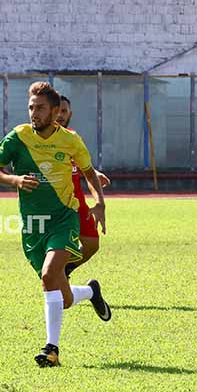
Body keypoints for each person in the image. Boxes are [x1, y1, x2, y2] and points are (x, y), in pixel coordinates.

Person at [0, 82, 111, 368]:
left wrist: (100, 203)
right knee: (63, 297)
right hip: (33, 224)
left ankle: (51, 350)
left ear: (56, 111)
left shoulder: (70, 140)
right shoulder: (18, 137)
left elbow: (88, 172)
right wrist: (15, 180)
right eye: (31, 107)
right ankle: (91, 291)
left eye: (40, 107)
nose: (34, 112)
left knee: (48, 275)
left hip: (63, 218)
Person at [56, 95, 111, 278]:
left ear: (70, 113)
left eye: (64, 111)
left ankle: (64, 270)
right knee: (57, 247)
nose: (60, 115)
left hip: (77, 201)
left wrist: (93, 172)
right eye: (57, 110)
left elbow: (81, 165)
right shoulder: (38, 140)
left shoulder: (72, 136)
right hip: (55, 203)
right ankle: (57, 275)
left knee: (92, 244)